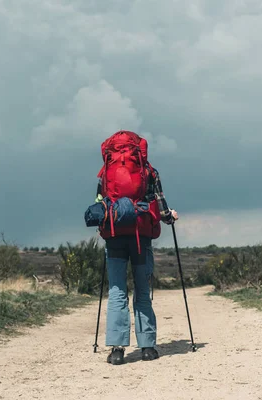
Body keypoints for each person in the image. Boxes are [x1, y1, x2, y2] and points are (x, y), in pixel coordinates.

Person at [95, 132, 178, 366]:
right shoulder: (149, 171)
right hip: (141, 236)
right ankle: (147, 347)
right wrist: (170, 217)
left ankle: (117, 349)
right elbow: (161, 206)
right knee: (142, 291)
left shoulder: (105, 171)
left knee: (117, 292)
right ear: (140, 150)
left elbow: (100, 202)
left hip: (115, 237)